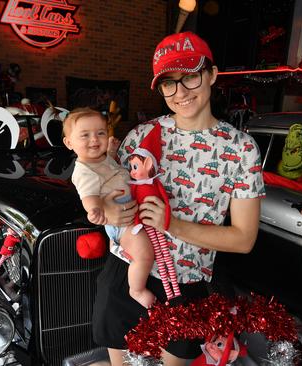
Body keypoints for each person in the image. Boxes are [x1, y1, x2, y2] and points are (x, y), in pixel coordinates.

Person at [92, 31, 266, 366]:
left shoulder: (241, 149)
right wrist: (111, 212)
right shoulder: (141, 136)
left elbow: (244, 239)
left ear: (212, 75)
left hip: (186, 284)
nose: (180, 92)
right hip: (126, 273)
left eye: (190, 77)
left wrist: (171, 223)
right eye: (169, 83)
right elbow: (111, 200)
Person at [63, 107, 157, 309]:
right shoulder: (84, 171)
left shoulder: (101, 160)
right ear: (69, 143)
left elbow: (113, 171)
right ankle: (137, 290)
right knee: (144, 254)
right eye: (85, 135)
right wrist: (95, 210)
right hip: (120, 220)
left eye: (100, 133)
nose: (94, 139)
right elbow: (89, 196)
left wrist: (112, 153)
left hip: (128, 211)